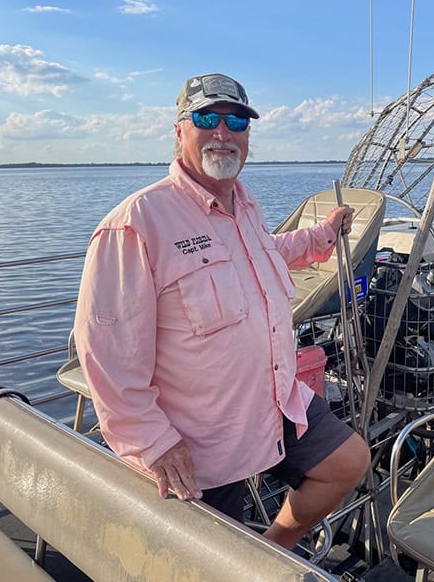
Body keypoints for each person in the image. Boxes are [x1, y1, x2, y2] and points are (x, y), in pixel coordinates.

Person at [73, 72, 370, 550]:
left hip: (273, 402)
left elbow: (262, 252)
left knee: (346, 463)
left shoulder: (244, 206)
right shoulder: (135, 224)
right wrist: (155, 441)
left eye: (237, 122)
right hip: (200, 437)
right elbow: (106, 354)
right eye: (207, 118)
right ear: (179, 131)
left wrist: (321, 237)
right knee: (211, 556)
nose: (222, 132)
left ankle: (271, 553)